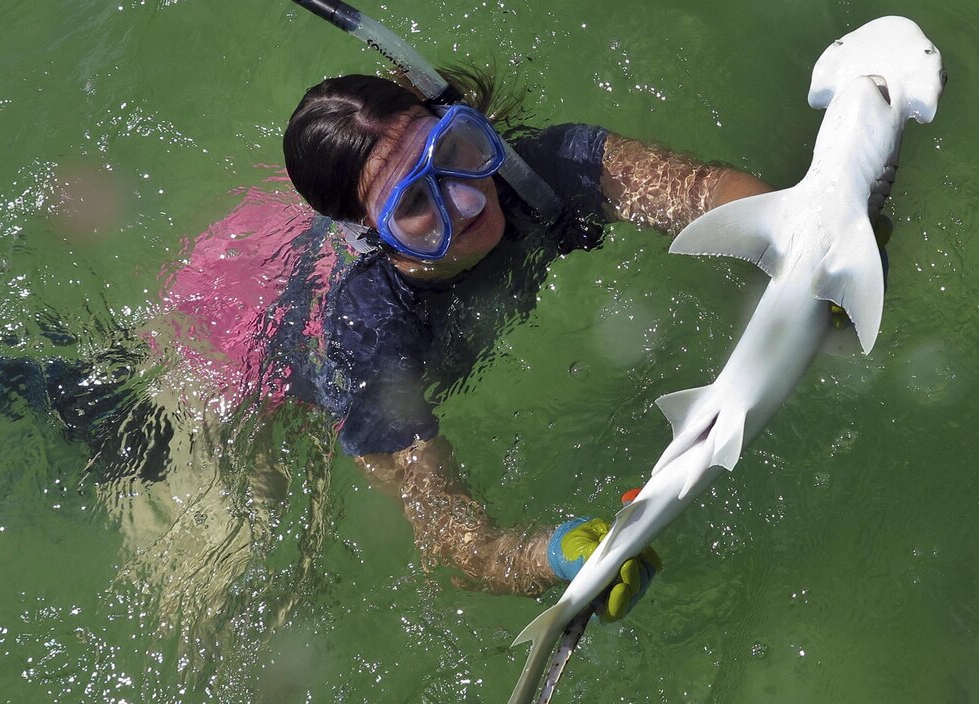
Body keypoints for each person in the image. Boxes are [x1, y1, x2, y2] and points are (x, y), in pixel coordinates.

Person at [281, 69, 775, 616]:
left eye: (453, 151)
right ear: (373, 234)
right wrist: (552, 555)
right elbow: (455, 541)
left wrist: (803, 246)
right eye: (416, 199)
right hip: (269, 363)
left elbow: (724, 200)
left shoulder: (540, 171)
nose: (468, 202)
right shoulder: (372, 329)